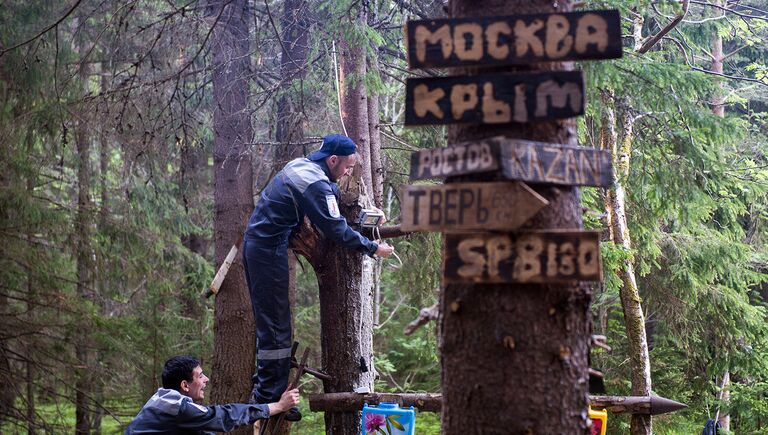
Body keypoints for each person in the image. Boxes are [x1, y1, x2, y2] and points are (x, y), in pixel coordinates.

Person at [243, 134, 395, 419]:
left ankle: (268, 391)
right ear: (333, 160)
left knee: (273, 323)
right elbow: (336, 229)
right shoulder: (315, 183)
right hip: (267, 251)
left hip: (262, 245)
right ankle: (267, 401)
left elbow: (328, 200)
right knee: (276, 326)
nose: (349, 172)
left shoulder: (303, 166)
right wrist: (373, 247)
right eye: (347, 166)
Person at [125, 355, 299, 434]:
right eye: (200, 376)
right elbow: (224, 416)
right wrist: (278, 406)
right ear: (185, 385)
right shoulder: (178, 407)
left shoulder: (164, 400)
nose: (206, 379)